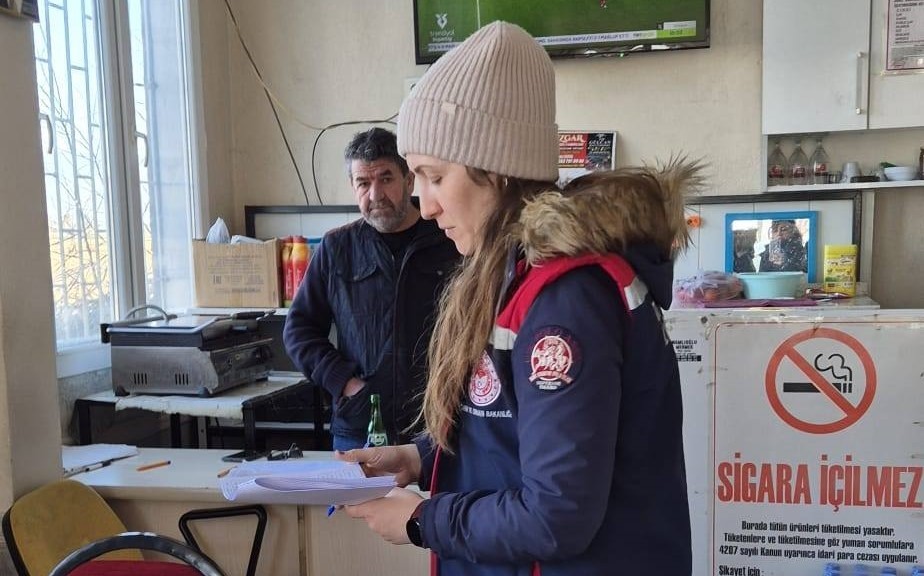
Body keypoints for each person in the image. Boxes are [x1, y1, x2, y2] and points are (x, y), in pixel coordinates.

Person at [337, 22, 694, 576]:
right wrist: (416, 457)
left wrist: (422, 521)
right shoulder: (512, 278)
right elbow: (503, 433)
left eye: (433, 176)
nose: (424, 205)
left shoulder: (565, 302)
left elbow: (557, 516)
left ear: (496, 168)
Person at [283, 127, 459, 451]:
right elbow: (299, 330)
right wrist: (345, 383)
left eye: (386, 179)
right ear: (353, 188)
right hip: (361, 427)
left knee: (431, 504)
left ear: (409, 180)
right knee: (361, 505)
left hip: (437, 427)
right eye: (363, 183)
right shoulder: (338, 248)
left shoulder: (449, 240)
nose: (375, 194)